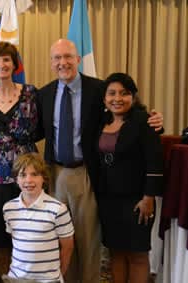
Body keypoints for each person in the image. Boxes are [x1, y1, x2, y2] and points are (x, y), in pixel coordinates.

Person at [36, 38, 164, 283]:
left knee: (89, 240)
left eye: (67, 57)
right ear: (51, 62)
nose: (63, 62)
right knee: (61, 236)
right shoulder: (45, 94)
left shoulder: (97, 89)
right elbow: (36, 131)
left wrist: (154, 120)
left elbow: (126, 114)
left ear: (78, 60)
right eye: (57, 58)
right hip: (56, 173)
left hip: (87, 173)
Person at [0, 41, 40, 271]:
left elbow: (45, 126)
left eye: (6, 60)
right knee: (0, 230)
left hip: (28, 170)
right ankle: (6, 275)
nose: (1, 64)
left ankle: (28, 273)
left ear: (15, 65)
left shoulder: (31, 93)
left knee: (29, 225)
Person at [96, 73, 163, 283]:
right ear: (104, 98)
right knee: (116, 252)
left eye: (124, 93)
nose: (118, 98)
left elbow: (155, 161)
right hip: (108, 200)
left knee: (137, 254)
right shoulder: (101, 121)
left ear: (133, 96)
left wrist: (149, 197)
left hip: (137, 200)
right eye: (112, 93)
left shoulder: (144, 121)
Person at [3, 153, 74, 283]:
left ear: (44, 178)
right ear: (16, 179)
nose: (28, 180)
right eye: (23, 175)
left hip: (48, 279)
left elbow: (67, 247)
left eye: (34, 174)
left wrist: (57, 275)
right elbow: (17, 242)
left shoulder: (58, 209)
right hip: (16, 278)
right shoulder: (9, 208)